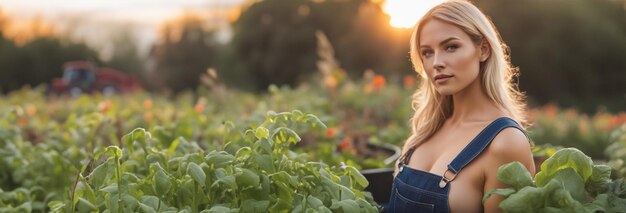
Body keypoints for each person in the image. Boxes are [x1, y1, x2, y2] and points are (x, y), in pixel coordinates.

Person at [386, 1, 535, 212]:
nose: (436, 62)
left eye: (451, 47)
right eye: (427, 52)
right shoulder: (430, 127)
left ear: (483, 50)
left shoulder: (505, 143)